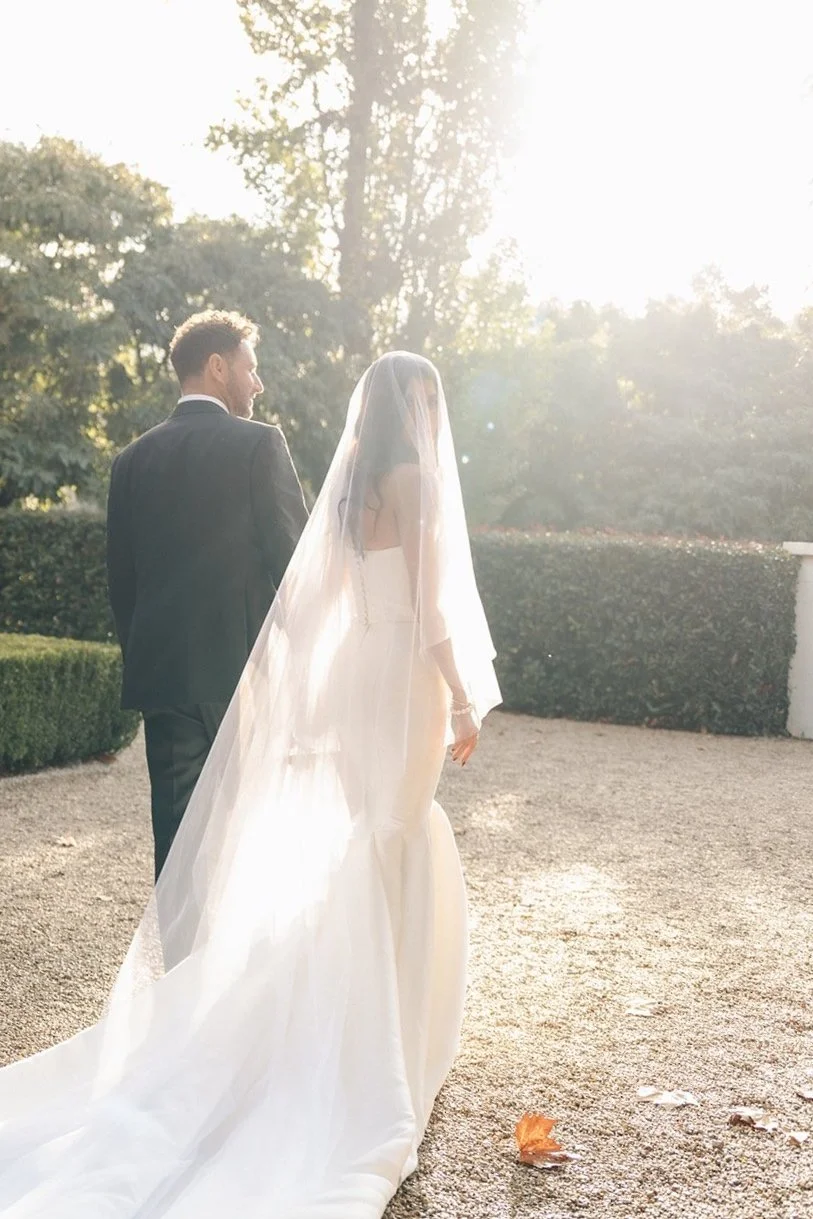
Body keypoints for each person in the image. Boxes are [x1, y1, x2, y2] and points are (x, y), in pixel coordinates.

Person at [0, 352, 501, 1218]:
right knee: (396, 831)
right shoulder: (375, 470)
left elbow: (293, 592)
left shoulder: (337, 488)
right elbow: (417, 604)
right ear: (415, 404)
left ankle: (226, 996)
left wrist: (292, 691)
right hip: (378, 678)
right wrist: (460, 696)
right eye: (430, 398)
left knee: (284, 833)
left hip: (283, 673)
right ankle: (361, 1034)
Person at [106, 310, 308, 878]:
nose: (258, 383)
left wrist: (149, 657)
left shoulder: (130, 461)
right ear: (218, 367)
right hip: (242, 676)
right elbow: (295, 567)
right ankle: (232, 966)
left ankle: (182, 966)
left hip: (165, 677)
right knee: (245, 836)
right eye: (251, 368)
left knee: (177, 842)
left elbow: (123, 584)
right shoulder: (260, 444)